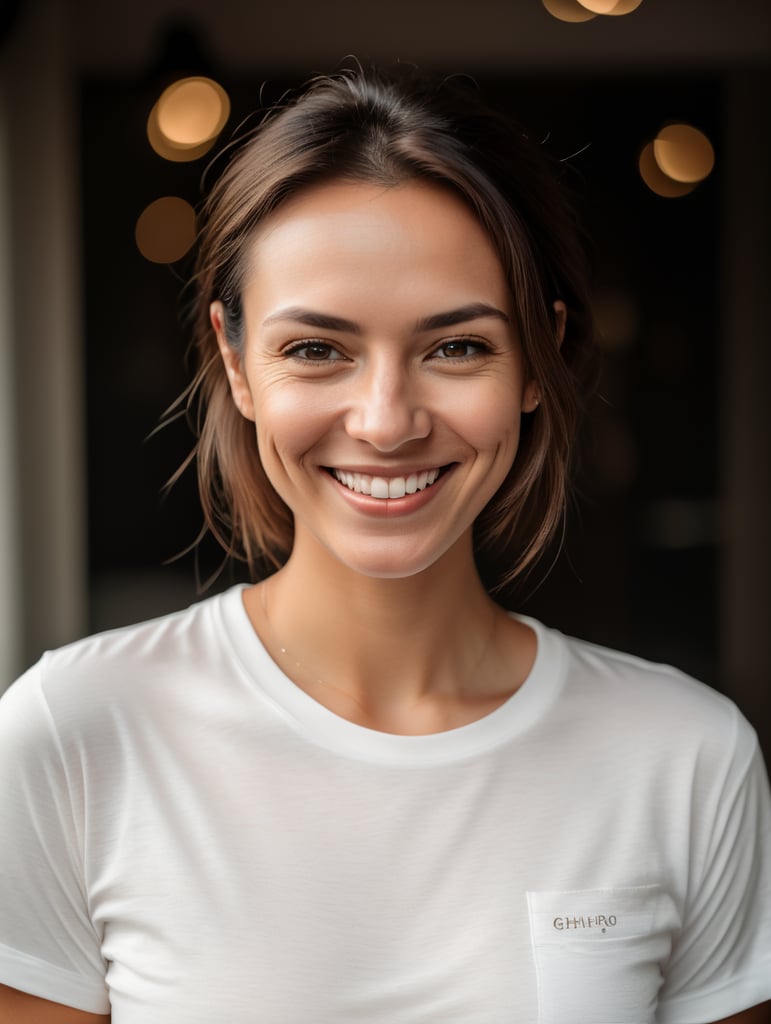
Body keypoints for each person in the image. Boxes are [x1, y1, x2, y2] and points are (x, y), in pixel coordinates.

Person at [0, 65, 769, 1024]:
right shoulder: (72, 733)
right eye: (316, 349)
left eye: (457, 348)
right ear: (236, 364)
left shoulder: (685, 757)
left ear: (539, 358)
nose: (385, 421)